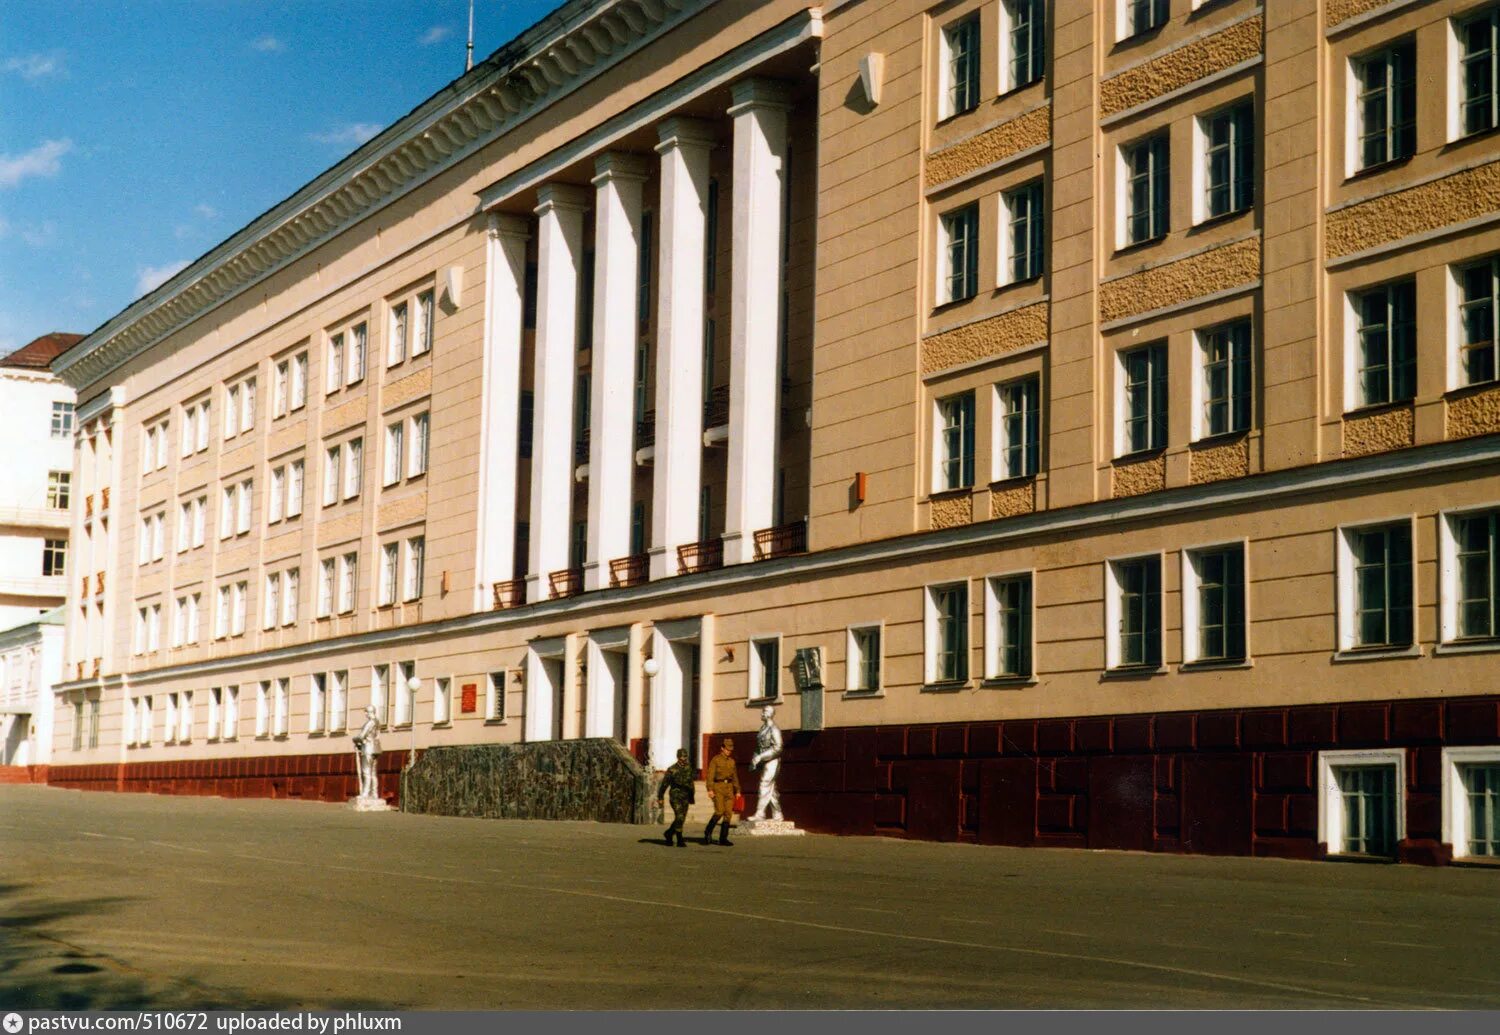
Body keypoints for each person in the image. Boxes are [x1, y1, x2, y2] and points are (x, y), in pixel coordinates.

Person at [702, 736, 741, 846]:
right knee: (719, 811)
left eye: (730, 750)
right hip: (718, 787)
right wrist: (710, 789)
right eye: (727, 749)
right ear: (722, 748)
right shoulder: (716, 760)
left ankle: (723, 838)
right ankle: (708, 832)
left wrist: (737, 790)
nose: (729, 751)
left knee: (728, 813)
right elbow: (710, 776)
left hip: (729, 788)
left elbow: (735, 777)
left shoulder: (732, 762)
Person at [750, 704, 783, 821]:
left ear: (769, 714)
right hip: (764, 762)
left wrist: (761, 757)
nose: (762, 713)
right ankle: (778, 814)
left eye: (764, 711)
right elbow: (759, 747)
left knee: (764, 784)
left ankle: (760, 814)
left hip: (772, 761)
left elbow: (778, 748)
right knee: (771, 788)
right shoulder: (763, 728)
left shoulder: (774, 729)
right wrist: (755, 760)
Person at [656, 748, 694, 847]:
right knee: (679, 816)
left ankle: (669, 833)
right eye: (682, 757)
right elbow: (664, 784)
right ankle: (679, 839)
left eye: (685, 757)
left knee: (681, 818)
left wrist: (692, 796)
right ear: (678, 757)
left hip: (685, 796)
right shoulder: (672, 769)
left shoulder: (689, 768)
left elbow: (691, 783)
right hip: (675, 796)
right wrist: (660, 797)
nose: (684, 759)